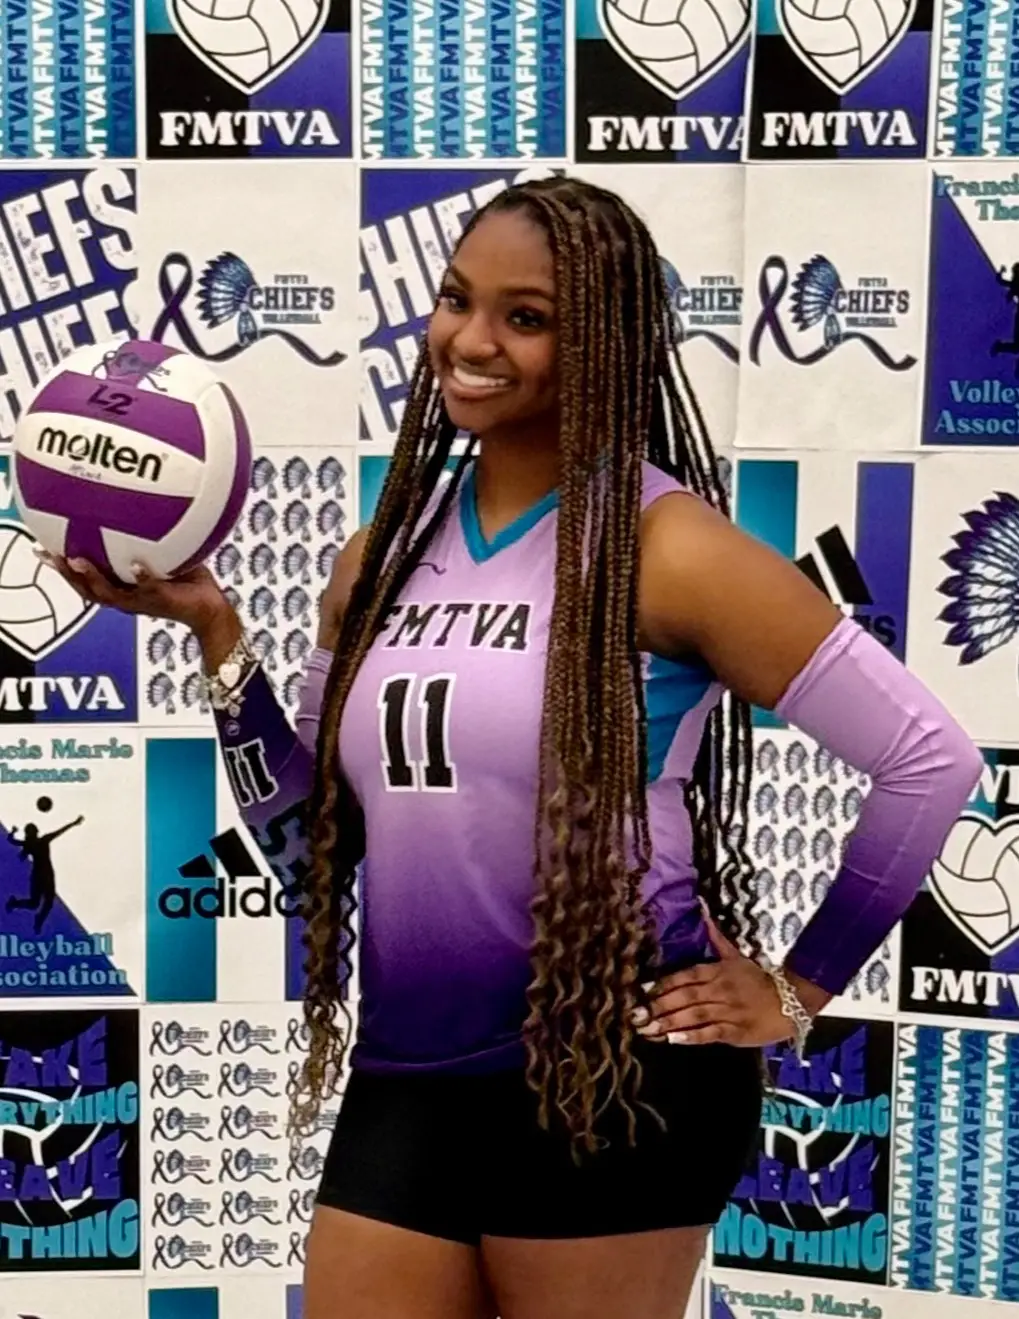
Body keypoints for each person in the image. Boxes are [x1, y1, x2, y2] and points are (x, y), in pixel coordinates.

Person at [47, 176, 982, 1319]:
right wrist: (216, 636)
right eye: (455, 299)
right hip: (407, 1076)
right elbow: (309, 845)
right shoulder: (376, 556)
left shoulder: (669, 549)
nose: (471, 340)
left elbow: (928, 758)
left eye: (525, 316)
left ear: (605, 344)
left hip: (614, 1077)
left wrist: (796, 990)